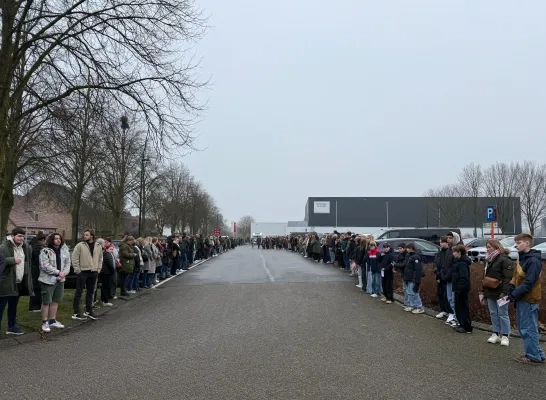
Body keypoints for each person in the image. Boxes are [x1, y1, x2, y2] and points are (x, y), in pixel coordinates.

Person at [508, 233, 545, 364]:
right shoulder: (522, 259)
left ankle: (533, 356)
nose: (516, 245)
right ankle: (538, 353)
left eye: (519, 243)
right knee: (528, 327)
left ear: (527, 243)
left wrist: (514, 294)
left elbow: (529, 283)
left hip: (528, 299)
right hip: (522, 298)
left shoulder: (533, 261)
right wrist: (511, 286)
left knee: (528, 328)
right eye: (516, 243)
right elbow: (517, 276)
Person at [480, 239, 513, 346]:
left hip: (501, 292)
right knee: (493, 313)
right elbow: (484, 277)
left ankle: (505, 335)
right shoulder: (488, 260)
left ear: (496, 247)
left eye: (489, 247)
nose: (487, 249)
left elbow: (508, 278)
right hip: (490, 291)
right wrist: (481, 291)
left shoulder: (504, 260)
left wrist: (505, 292)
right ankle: (495, 333)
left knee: (502, 314)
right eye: (487, 247)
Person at [0, 228, 33, 335]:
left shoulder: (24, 247)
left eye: (23, 236)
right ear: (13, 236)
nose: (21, 238)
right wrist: (12, 260)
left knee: (13, 306)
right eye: (19, 236)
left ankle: (11, 326)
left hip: (18, 282)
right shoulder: (4, 247)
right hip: (6, 282)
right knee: (1, 306)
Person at [38, 233, 71, 332]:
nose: (58, 240)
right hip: (48, 280)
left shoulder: (64, 251)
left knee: (55, 300)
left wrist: (63, 274)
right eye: (55, 238)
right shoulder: (45, 251)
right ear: (51, 240)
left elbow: (68, 264)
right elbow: (45, 265)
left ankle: (52, 320)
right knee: (46, 301)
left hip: (60, 280)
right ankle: (45, 322)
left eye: (59, 238)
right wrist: (57, 272)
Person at [71, 229, 103, 321]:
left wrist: (98, 269)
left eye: (87, 235)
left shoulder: (98, 246)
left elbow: (100, 258)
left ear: (92, 236)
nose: (84, 236)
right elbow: (75, 258)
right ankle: (76, 312)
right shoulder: (80, 245)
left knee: (90, 292)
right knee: (79, 292)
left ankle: (89, 310)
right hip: (83, 272)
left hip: (94, 271)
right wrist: (78, 270)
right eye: (84, 235)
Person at [451, 244, 472, 333]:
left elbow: (464, 278)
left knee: (463, 307)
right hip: (457, 288)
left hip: (461, 289)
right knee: (458, 307)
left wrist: (461, 288)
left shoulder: (462, 263)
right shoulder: (458, 262)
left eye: (454, 252)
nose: (453, 254)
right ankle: (461, 323)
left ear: (459, 252)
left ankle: (466, 326)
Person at [433, 237, 452, 319]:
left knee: (447, 295)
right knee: (440, 293)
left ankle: (449, 311)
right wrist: (436, 271)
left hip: (446, 277)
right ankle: (443, 310)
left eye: (442, 242)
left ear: (446, 243)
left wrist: (443, 273)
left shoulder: (449, 252)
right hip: (439, 276)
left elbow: (448, 265)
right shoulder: (439, 252)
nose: (440, 244)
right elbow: (435, 263)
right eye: (440, 242)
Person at [403, 243, 424, 314]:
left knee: (414, 292)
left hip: (413, 278)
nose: (406, 250)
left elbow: (417, 270)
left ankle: (420, 307)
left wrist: (416, 280)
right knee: (409, 292)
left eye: (407, 248)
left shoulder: (415, 257)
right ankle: (411, 305)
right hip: (408, 278)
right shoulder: (409, 256)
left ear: (410, 248)